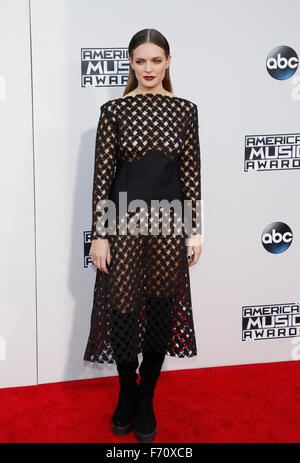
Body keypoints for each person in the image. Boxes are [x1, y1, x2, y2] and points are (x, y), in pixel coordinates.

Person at [83, 28, 202, 444]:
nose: (148, 68)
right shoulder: (113, 110)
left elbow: (190, 173)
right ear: (130, 64)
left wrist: (194, 230)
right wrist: (100, 234)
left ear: (168, 61)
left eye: (156, 60)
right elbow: (102, 179)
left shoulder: (185, 111)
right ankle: (126, 390)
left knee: (158, 310)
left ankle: (147, 395)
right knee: (123, 309)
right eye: (140, 60)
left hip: (170, 226)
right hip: (123, 225)